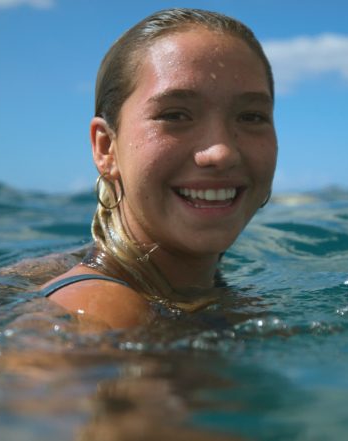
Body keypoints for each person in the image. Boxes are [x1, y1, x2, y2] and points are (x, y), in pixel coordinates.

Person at [39, 8, 277, 329]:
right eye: (175, 115)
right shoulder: (100, 315)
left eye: (251, 117)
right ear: (106, 148)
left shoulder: (195, 297)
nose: (221, 152)